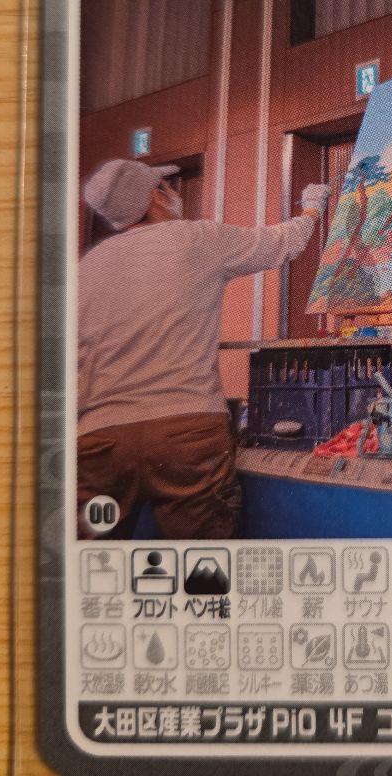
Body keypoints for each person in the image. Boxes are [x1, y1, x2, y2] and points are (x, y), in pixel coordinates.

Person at [76, 157, 330, 539]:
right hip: (185, 430)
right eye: (165, 187)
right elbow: (283, 242)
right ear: (155, 197)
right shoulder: (195, 238)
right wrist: (312, 209)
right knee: (202, 561)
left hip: (98, 439)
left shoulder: (88, 266)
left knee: (92, 562)